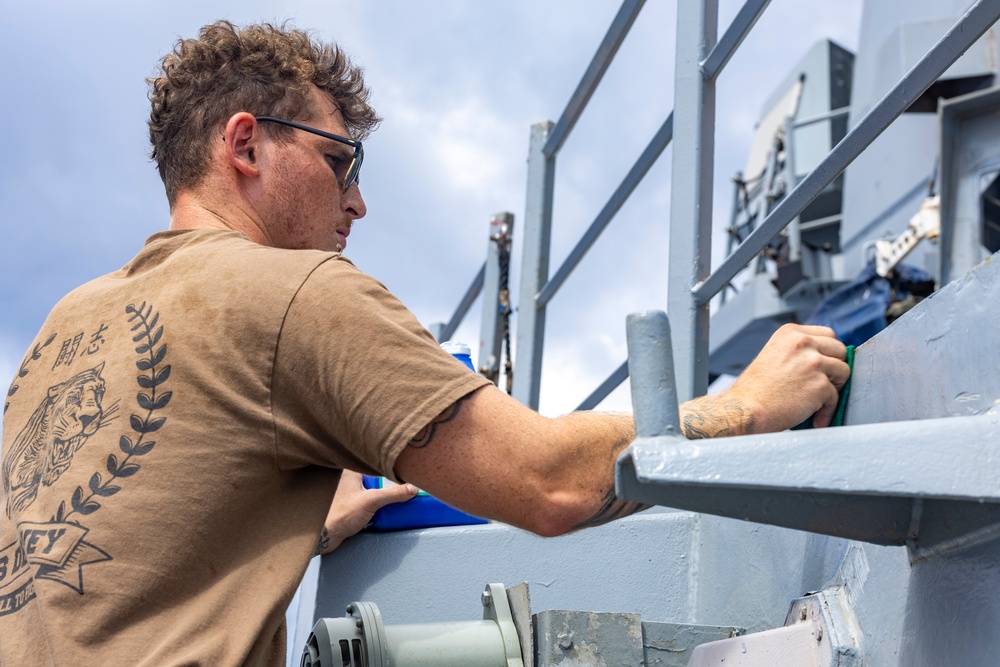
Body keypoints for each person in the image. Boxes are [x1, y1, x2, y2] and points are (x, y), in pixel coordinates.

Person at [0, 20, 849, 666]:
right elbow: (546, 481)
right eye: (344, 162)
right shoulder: (294, 289)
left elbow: (103, 558)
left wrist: (300, 525)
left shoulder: (70, 321)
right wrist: (744, 407)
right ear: (246, 143)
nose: (358, 202)